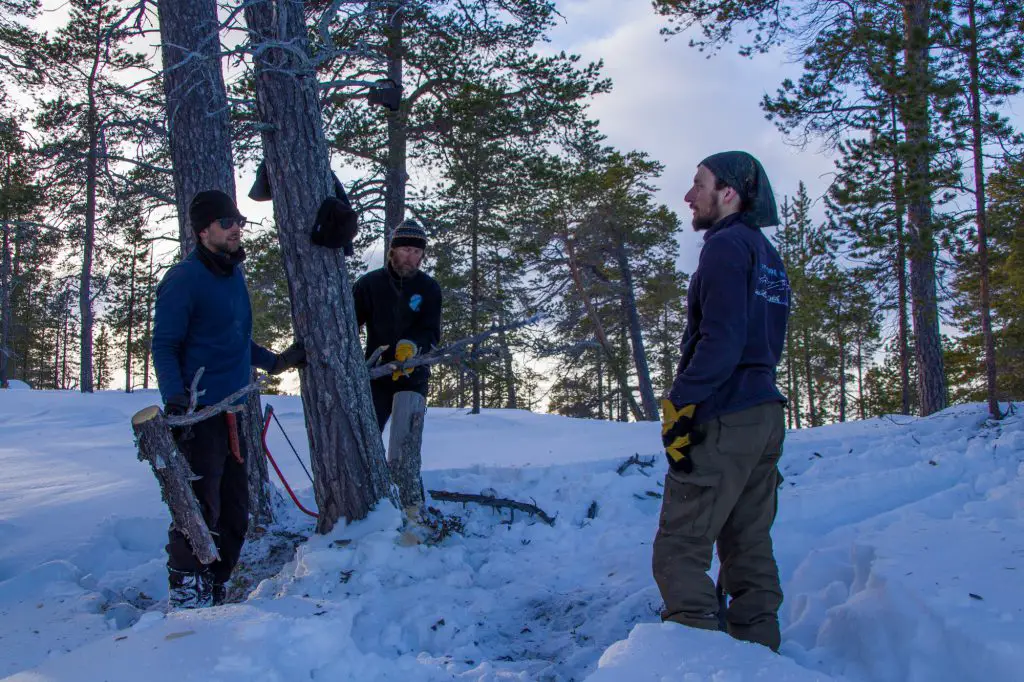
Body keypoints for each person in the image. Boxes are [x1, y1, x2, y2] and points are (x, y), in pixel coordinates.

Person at [653, 151, 791, 651]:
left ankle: (694, 650)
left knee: (681, 542)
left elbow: (722, 339)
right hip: (764, 415)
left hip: (726, 414)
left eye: (698, 184)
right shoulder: (766, 254)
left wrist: (681, 403)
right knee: (747, 539)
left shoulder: (726, 246)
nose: (689, 196)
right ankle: (758, 647)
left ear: (728, 193)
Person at [152, 189, 306, 609]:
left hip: (237, 412)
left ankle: (216, 588)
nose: (236, 227)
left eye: (238, 219)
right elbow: (164, 345)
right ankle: (187, 592)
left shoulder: (233, 273)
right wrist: (176, 399)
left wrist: (274, 362)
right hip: (201, 414)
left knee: (237, 513)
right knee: (200, 509)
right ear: (203, 231)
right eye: (226, 222)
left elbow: (235, 339)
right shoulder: (184, 278)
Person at [353, 219, 442, 431]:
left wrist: (412, 346)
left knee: (406, 440)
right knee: (368, 435)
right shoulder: (369, 284)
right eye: (405, 249)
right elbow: (348, 327)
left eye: (416, 252)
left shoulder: (429, 288)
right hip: (376, 376)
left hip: (414, 376)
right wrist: (353, 362)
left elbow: (431, 331)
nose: (410, 257)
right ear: (393, 250)